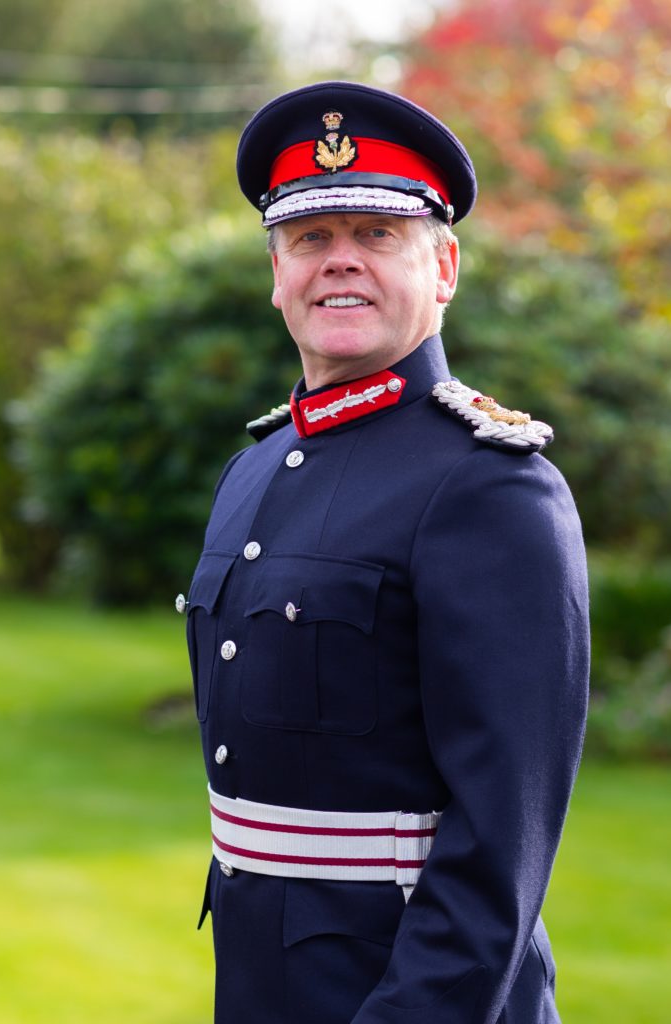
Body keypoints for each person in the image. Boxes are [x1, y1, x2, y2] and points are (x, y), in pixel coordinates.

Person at [180, 80, 589, 1024]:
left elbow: (500, 849)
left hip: (417, 995)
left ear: (443, 266)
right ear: (275, 272)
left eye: (377, 235)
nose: (340, 264)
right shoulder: (254, 471)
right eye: (312, 239)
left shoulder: (491, 487)